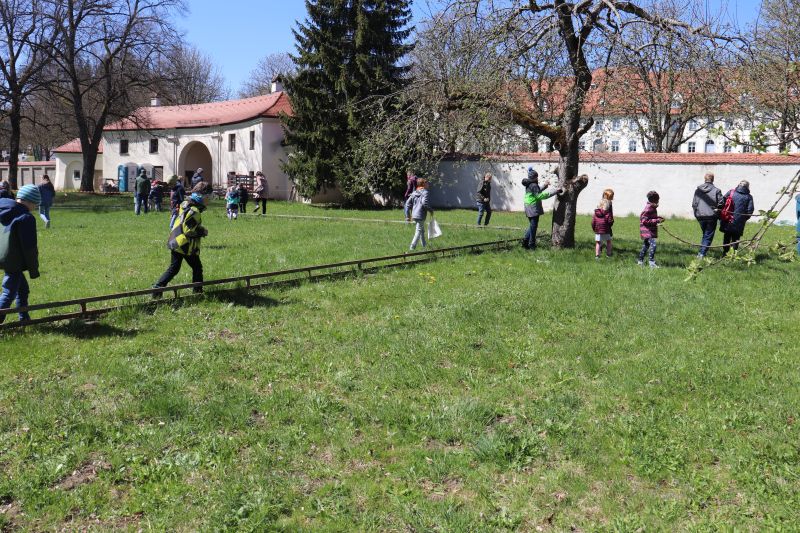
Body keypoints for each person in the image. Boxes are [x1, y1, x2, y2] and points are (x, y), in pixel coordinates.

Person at [153, 184, 209, 296]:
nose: (209, 200)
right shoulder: (194, 211)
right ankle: (197, 292)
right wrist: (202, 231)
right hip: (185, 245)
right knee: (197, 268)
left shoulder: (186, 204)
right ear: (202, 196)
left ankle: (157, 289)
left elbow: (184, 224)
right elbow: (189, 231)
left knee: (174, 268)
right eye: (209, 196)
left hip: (176, 240)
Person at [0, 184, 40, 323]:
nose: (35, 208)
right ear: (30, 202)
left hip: (3, 256)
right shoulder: (26, 218)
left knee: (22, 289)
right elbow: (29, 248)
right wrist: (34, 270)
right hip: (13, 261)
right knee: (8, 292)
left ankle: (24, 318)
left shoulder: (4, 208)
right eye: (35, 204)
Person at [521, 167, 560, 250]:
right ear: (535, 177)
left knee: (532, 225)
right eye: (537, 177)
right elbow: (539, 196)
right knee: (533, 227)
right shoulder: (534, 185)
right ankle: (531, 245)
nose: (537, 178)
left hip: (527, 206)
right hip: (533, 207)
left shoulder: (529, 184)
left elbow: (536, 191)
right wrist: (555, 191)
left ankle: (525, 242)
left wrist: (545, 185)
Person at [691, 172, 723, 258]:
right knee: (708, 236)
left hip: (700, 216)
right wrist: (718, 212)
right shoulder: (717, 190)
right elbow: (721, 203)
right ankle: (701, 254)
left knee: (705, 234)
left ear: (705, 179)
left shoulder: (698, 190)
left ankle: (701, 252)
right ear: (713, 179)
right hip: (711, 216)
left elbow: (694, 204)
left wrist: (696, 214)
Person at [719, 180, 755, 255]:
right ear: (748, 187)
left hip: (728, 219)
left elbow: (722, 202)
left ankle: (725, 253)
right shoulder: (749, 197)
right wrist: (743, 219)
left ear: (739, 185)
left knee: (727, 236)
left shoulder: (731, 192)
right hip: (739, 222)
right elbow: (750, 210)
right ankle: (733, 255)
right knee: (736, 239)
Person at [405, 178, 433, 250]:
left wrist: (408, 215)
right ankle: (412, 248)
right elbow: (424, 203)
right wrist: (430, 210)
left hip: (414, 215)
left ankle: (424, 246)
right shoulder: (425, 192)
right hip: (421, 215)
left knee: (421, 230)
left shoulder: (414, 192)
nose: (428, 184)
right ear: (423, 184)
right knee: (418, 231)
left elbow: (407, 204)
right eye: (427, 183)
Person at [637, 190, 665, 268]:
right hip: (647, 231)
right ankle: (651, 262)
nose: (658, 201)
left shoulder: (652, 207)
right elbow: (644, 220)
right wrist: (657, 220)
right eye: (657, 200)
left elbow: (652, 217)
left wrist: (658, 218)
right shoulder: (648, 208)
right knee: (653, 245)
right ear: (654, 200)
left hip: (649, 230)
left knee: (646, 246)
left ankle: (640, 261)